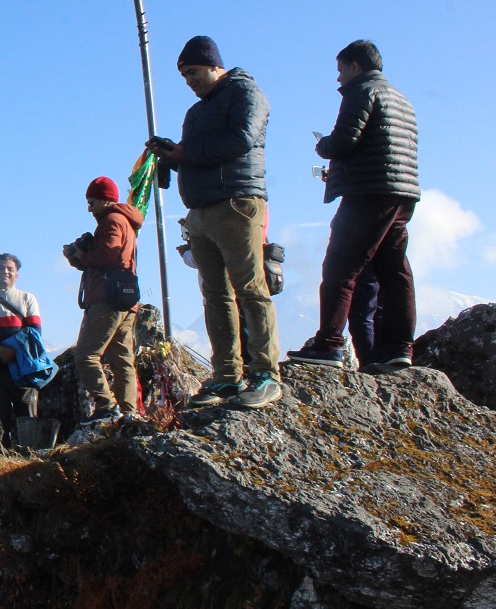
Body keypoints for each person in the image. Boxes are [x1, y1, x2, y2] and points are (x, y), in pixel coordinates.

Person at [146, 35, 282, 410]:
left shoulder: (246, 93)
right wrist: (171, 157)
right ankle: (226, 374)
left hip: (238, 204)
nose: (189, 81)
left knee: (250, 288)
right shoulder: (196, 112)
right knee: (215, 295)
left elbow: (241, 139)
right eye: (184, 76)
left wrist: (185, 152)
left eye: (193, 73)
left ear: (213, 64)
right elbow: (197, 156)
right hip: (201, 211)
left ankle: (266, 373)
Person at [287, 40, 419, 373]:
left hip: (367, 191)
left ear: (355, 67)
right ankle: (399, 348)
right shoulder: (402, 100)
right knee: (395, 270)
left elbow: (345, 140)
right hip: (403, 193)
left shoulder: (361, 93)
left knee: (340, 269)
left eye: (341, 70)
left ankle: (329, 344)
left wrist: (322, 146)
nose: (338, 79)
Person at [65, 177, 143, 422]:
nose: (89, 208)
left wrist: (82, 253)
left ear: (104, 199)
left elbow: (108, 255)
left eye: (91, 202)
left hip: (106, 299)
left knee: (86, 355)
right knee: (122, 358)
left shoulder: (111, 220)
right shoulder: (127, 221)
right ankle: (129, 412)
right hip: (126, 299)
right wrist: (79, 257)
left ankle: (106, 406)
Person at [0, 253, 42, 449]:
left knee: (26, 414)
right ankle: (0, 455)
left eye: (9, 269)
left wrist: (14, 351)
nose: (5, 271)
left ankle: (28, 455)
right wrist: (1, 350)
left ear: (16, 275)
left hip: (23, 366)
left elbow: (35, 331)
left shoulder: (28, 299)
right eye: (0, 268)